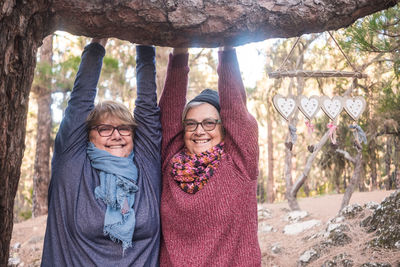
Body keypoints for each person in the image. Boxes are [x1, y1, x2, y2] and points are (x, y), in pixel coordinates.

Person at [41, 38, 161, 266]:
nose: (116, 135)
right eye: (105, 128)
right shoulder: (73, 167)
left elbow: (147, 104)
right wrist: (98, 40)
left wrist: (146, 40)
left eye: (124, 128)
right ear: (88, 135)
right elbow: (79, 101)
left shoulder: (146, 166)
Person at [159, 46, 261, 266]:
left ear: (225, 128)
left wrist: (226, 51)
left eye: (209, 123)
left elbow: (236, 111)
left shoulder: (239, 164)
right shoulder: (170, 163)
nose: (199, 131)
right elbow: (168, 114)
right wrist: (179, 53)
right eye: (191, 124)